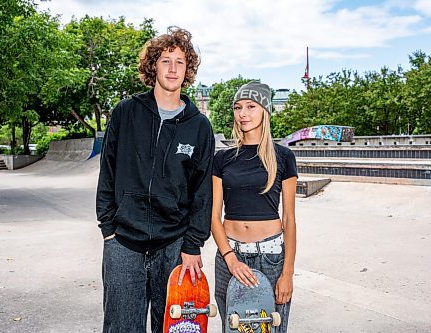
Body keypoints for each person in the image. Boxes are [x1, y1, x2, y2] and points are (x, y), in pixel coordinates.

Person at [96, 27, 215, 333]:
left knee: (174, 327)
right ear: (153, 66)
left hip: (174, 245)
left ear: (188, 70)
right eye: (166, 61)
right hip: (123, 242)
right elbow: (107, 170)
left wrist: (192, 244)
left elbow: (202, 192)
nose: (173, 68)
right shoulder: (126, 112)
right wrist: (108, 225)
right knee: (121, 327)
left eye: (180, 62)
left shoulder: (199, 126)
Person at [211, 81, 298, 332]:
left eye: (251, 106)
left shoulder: (283, 157)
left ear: (265, 111)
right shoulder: (223, 158)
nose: (243, 113)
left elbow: (289, 219)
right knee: (234, 329)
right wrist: (230, 258)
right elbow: (214, 217)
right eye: (238, 107)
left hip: (270, 258)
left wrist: (287, 273)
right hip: (230, 257)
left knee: (269, 329)